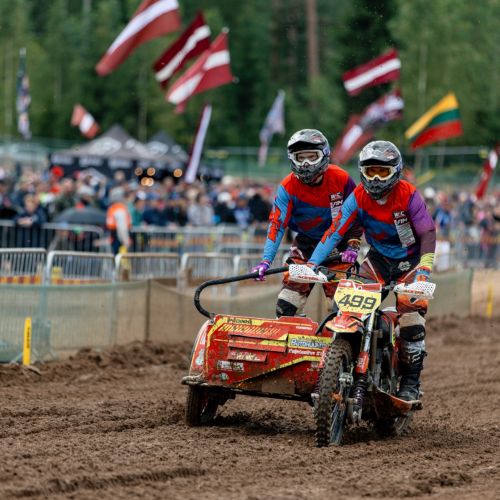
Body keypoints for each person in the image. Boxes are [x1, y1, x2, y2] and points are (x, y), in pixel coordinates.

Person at [307, 140, 436, 402]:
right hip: (377, 261)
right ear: (362, 171)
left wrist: (424, 268)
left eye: (382, 171)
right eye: (371, 171)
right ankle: (343, 364)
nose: (376, 178)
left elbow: (428, 232)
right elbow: (335, 231)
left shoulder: (408, 194)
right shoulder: (358, 196)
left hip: (410, 263)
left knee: (412, 324)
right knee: (346, 307)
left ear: (395, 171)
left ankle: (410, 383)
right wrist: (312, 263)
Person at [252, 129, 362, 317]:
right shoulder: (287, 186)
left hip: (339, 248)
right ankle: (299, 332)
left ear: (324, 155)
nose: (305, 164)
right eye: (300, 157)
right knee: (287, 306)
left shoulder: (341, 178)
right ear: (292, 159)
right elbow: (277, 225)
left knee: (345, 310)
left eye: (312, 157)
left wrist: (353, 244)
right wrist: (265, 261)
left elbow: (356, 214)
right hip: (306, 245)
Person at [106, 188, 131, 254]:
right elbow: (122, 227)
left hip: (114, 237)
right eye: (124, 196)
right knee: (119, 257)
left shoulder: (113, 208)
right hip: (119, 239)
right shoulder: (120, 209)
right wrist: (126, 241)